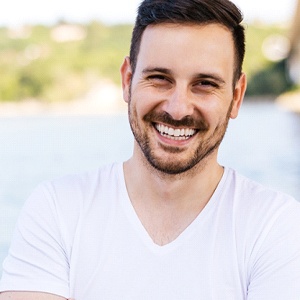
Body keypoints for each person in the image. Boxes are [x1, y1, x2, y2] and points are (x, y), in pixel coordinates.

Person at [1, 0, 300, 299]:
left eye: (204, 84)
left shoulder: (276, 227)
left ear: (236, 97)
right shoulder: (57, 210)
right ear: (128, 80)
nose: (178, 108)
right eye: (159, 79)